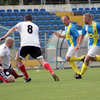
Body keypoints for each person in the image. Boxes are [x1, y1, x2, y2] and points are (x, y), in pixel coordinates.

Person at [0, 14, 59, 82]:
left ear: (25, 19)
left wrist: (4, 36)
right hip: (35, 45)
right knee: (42, 61)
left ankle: (27, 77)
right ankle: (51, 72)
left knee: (18, 60)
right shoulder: (36, 26)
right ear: (31, 20)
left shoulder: (21, 23)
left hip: (25, 44)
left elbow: (12, 29)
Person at [77, 13, 100, 78]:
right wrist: (78, 44)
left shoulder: (97, 25)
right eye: (83, 18)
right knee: (91, 58)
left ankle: (80, 74)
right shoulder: (85, 26)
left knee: (87, 58)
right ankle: (80, 74)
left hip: (97, 44)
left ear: (89, 18)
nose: (83, 20)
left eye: (84, 18)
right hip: (90, 45)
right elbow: (82, 36)